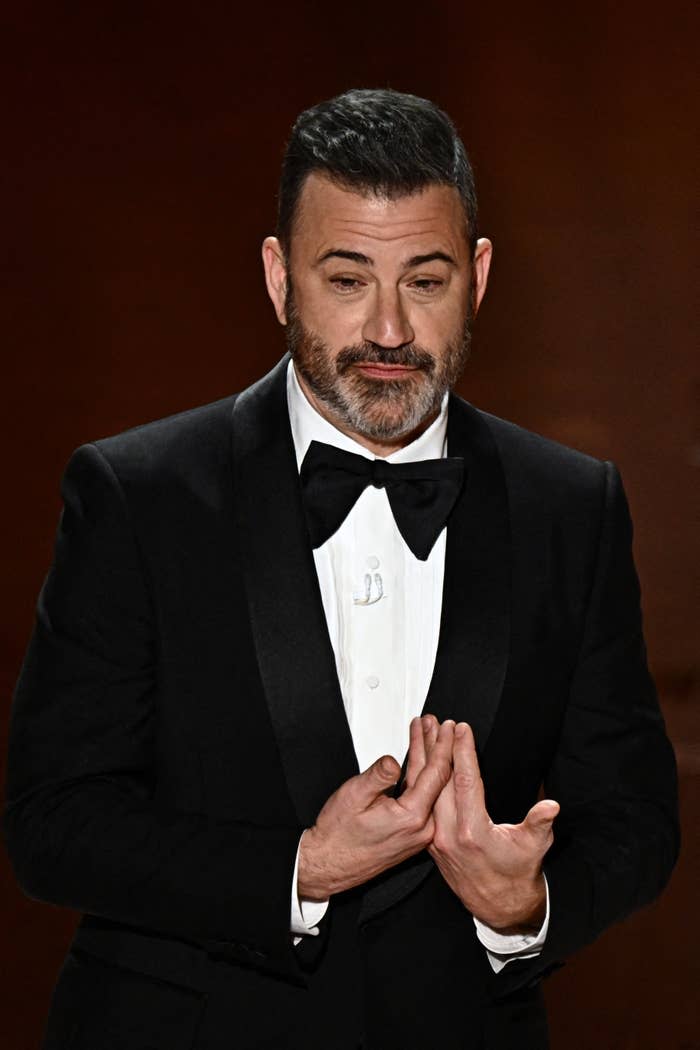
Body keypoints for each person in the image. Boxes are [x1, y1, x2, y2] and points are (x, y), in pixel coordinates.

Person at [4, 88, 679, 1050]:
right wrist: (300, 867)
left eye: (427, 280)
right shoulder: (134, 495)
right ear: (280, 278)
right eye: (348, 279)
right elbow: (50, 820)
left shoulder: (573, 506)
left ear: (479, 277)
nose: (391, 332)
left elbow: (637, 820)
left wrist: (527, 900)